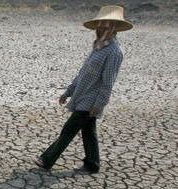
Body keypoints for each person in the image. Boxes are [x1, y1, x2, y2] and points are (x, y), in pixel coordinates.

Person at [35, 5, 132, 174]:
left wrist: (99, 104)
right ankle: (92, 164)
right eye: (101, 24)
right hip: (81, 96)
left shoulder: (115, 52)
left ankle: (47, 159)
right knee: (88, 131)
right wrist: (68, 92)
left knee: (69, 130)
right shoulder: (99, 46)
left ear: (115, 27)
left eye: (108, 24)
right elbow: (83, 73)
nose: (103, 27)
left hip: (91, 100)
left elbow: (108, 82)